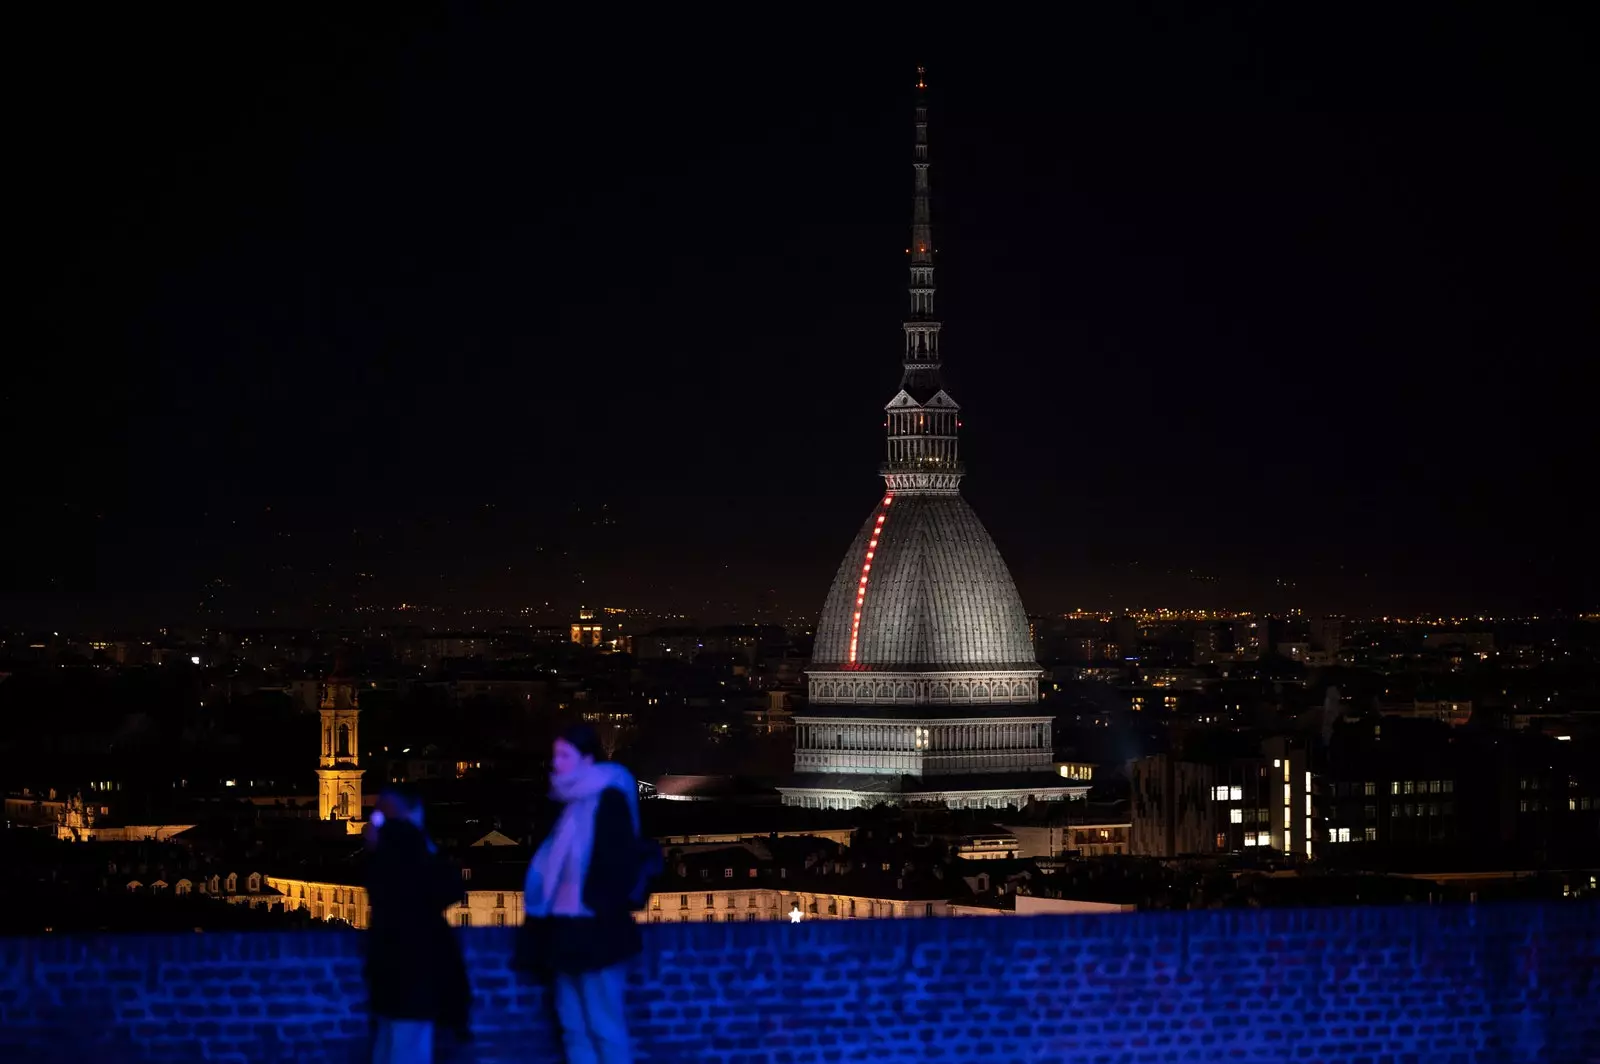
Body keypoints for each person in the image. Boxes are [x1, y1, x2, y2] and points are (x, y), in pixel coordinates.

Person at [517, 724, 643, 1064]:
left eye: (564, 756)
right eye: (554, 755)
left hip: (597, 930)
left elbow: (619, 863)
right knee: (573, 1028)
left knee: (604, 1026)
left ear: (586, 759)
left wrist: (595, 905)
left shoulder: (609, 799)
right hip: (564, 931)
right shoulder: (561, 803)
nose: (555, 763)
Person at [363, 784, 473, 1064]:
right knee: (410, 1049)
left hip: (387, 969)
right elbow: (449, 888)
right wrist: (426, 842)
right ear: (414, 812)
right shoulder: (410, 846)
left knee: (388, 1046)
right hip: (416, 970)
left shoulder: (378, 852)